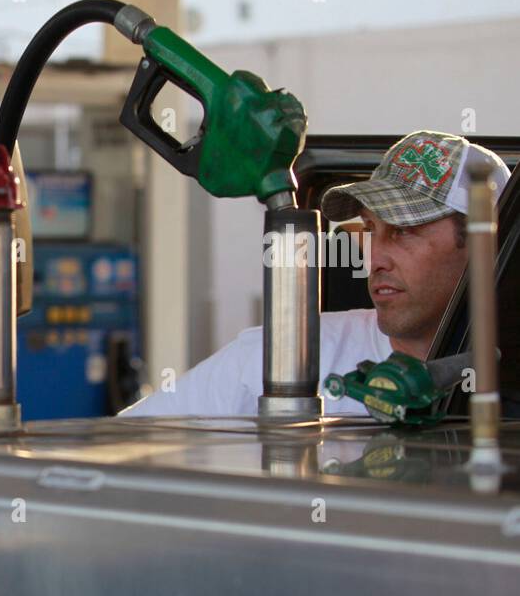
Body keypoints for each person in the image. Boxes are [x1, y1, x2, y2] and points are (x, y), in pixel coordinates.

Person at [119, 130, 510, 417]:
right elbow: (124, 451)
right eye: (371, 229)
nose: (375, 258)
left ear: (484, 244)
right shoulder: (276, 356)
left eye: (404, 230)